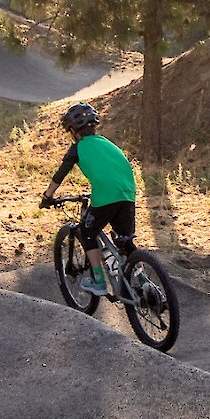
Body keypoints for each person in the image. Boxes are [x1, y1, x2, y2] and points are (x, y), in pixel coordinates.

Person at [40, 101, 137, 297]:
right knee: (124, 241)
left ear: (73, 131)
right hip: (128, 193)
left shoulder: (78, 148)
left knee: (87, 231)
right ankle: (145, 282)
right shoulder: (107, 143)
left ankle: (99, 281)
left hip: (106, 194)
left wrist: (47, 197)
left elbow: (60, 174)